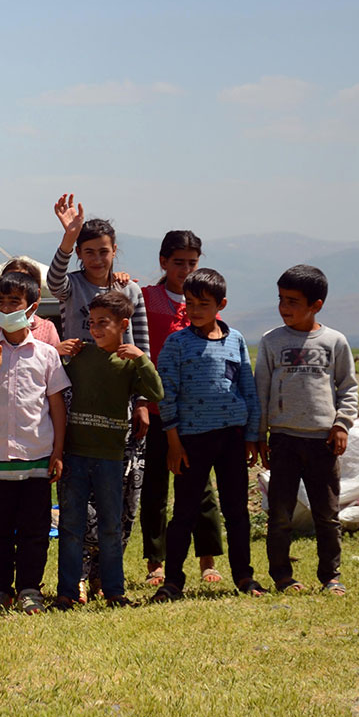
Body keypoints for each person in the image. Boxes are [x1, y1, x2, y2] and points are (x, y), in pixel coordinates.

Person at [47, 193, 151, 602]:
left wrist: (142, 400)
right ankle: (78, 581)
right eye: (87, 252)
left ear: (114, 252)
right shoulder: (71, 286)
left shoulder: (133, 292)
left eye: (103, 251)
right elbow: (53, 282)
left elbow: (140, 345)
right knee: (77, 494)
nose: (96, 258)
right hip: (77, 395)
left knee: (118, 497)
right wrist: (68, 237)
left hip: (119, 402)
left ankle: (110, 578)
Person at [151, 268, 266, 602]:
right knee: (185, 511)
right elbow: (166, 392)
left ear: (221, 304)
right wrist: (173, 440)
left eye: (203, 303)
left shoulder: (236, 340)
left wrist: (253, 435)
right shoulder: (177, 343)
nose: (195, 309)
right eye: (189, 302)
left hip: (231, 438)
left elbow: (247, 386)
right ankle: (172, 580)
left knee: (236, 510)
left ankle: (244, 576)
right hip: (191, 440)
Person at [0, 270, 70, 614]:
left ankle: (29, 589)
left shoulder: (47, 355)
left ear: (32, 308)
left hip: (37, 458)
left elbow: (56, 407)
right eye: (1, 301)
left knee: (35, 530)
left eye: (14, 302)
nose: (6, 307)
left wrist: (58, 452)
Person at [55, 292, 163, 610]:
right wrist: (57, 352)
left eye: (104, 323)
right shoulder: (79, 356)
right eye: (92, 323)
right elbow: (49, 378)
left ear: (123, 324)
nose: (96, 329)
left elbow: (156, 392)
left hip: (112, 458)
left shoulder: (129, 363)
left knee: (111, 528)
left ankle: (115, 590)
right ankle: (67, 592)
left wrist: (142, 358)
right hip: (75, 455)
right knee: (71, 526)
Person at [256, 265, 358, 596]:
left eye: (294, 301)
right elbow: (261, 392)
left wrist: (342, 424)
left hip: (323, 443)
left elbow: (348, 388)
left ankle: (331, 576)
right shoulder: (271, 342)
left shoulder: (334, 342)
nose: (285, 307)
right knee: (280, 516)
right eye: (281, 299)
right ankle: (282, 576)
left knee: (326, 516)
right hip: (283, 441)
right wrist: (258, 435)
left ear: (316, 305)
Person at [140, 231, 227, 587]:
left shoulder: (203, 302)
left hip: (196, 414)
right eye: (179, 262)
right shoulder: (146, 299)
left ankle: (208, 561)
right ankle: (155, 565)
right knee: (155, 489)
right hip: (157, 408)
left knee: (201, 489)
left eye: (193, 262)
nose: (186, 269)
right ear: (163, 262)